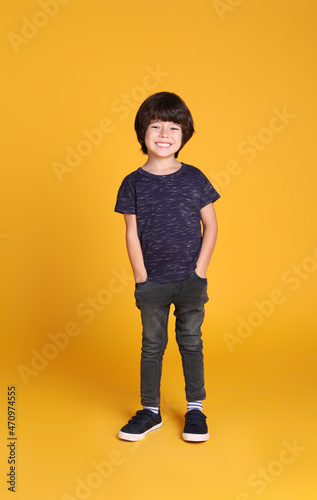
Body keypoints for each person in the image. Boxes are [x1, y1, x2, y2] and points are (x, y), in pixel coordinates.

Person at [114, 91, 220, 442]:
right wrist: (141, 277)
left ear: (184, 135)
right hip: (152, 283)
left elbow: (212, 225)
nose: (164, 134)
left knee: (191, 341)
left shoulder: (194, 178)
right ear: (142, 133)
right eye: (155, 126)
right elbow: (131, 234)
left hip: (190, 280)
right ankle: (150, 411)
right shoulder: (132, 183)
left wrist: (200, 270)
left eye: (173, 127)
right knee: (151, 344)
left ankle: (195, 410)